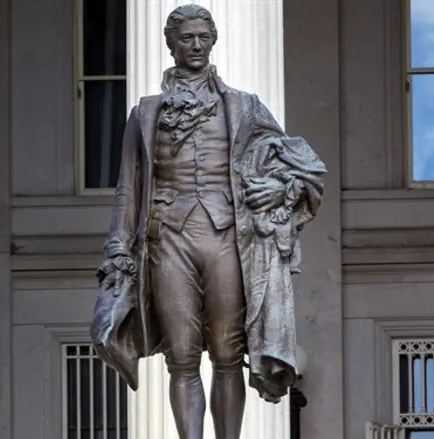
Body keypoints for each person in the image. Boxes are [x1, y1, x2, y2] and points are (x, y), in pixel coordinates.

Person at [90, 5, 326, 439]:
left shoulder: (244, 107)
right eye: (186, 38)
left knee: (227, 354)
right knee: (180, 356)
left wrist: (278, 191)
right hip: (167, 239)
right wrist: (118, 251)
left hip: (226, 239)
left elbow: (301, 166)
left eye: (203, 36)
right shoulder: (145, 114)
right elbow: (128, 189)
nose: (196, 45)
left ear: (213, 39)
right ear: (170, 44)